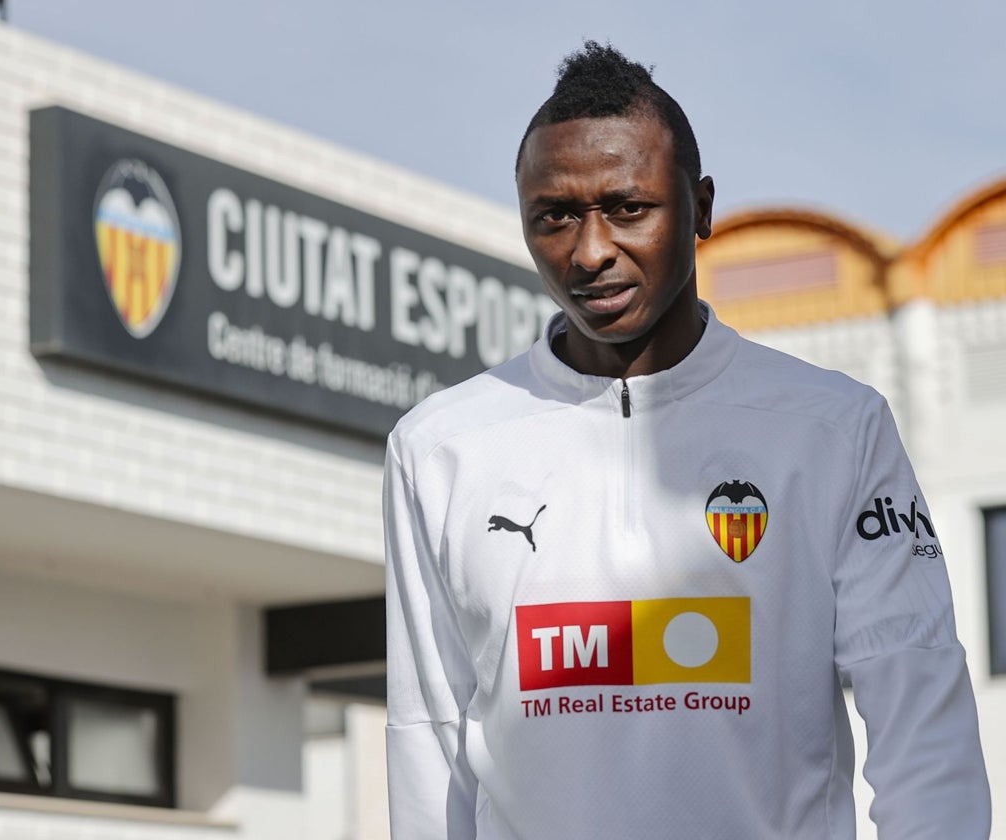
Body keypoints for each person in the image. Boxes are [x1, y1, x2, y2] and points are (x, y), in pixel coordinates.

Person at [382, 40, 991, 839]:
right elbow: (428, 746)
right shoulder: (440, 449)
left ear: (700, 207)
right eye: (556, 216)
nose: (591, 250)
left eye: (628, 208)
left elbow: (922, 725)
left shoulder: (835, 429)